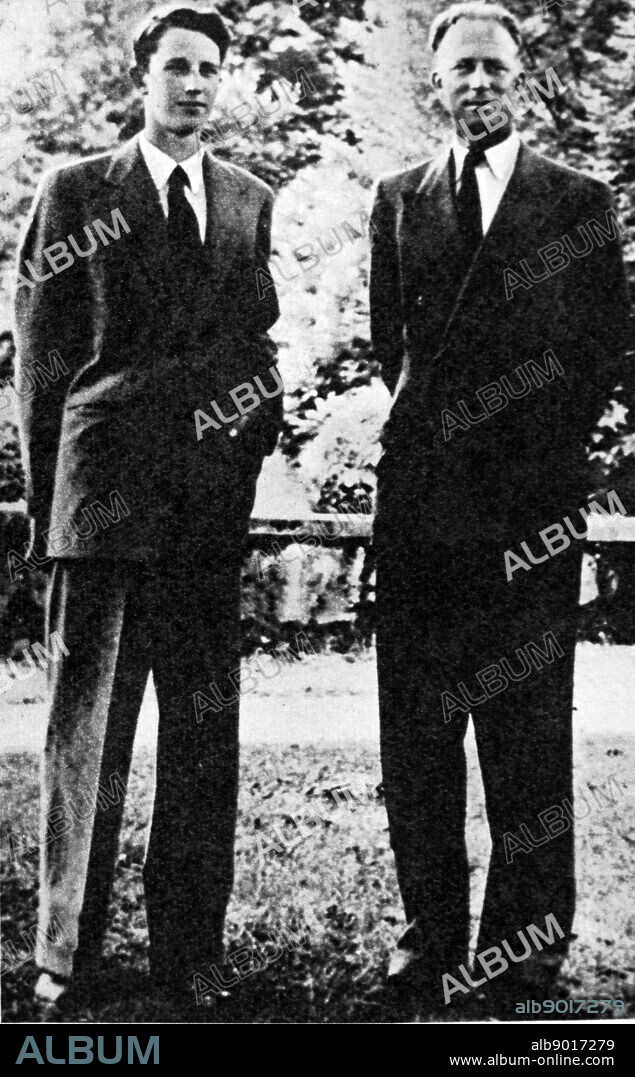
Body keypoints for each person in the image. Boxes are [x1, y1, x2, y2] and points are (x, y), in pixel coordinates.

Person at [13, 2, 282, 1017]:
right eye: (176, 66)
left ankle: (189, 951)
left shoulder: (249, 198)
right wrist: (55, 515)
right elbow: (40, 364)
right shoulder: (78, 189)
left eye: (210, 67)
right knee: (88, 735)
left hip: (207, 515)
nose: (194, 84)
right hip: (105, 507)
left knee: (205, 731)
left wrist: (250, 439)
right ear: (143, 77)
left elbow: (258, 344)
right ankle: (63, 955)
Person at [369, 1, 630, 1018]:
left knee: (524, 733)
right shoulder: (397, 198)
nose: (474, 83)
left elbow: (602, 346)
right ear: (437, 83)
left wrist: (529, 452)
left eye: (490, 67)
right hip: (424, 509)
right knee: (418, 736)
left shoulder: (575, 201)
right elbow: (392, 346)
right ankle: (427, 936)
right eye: (458, 70)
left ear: (517, 77)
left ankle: (522, 945)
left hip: (526, 508)